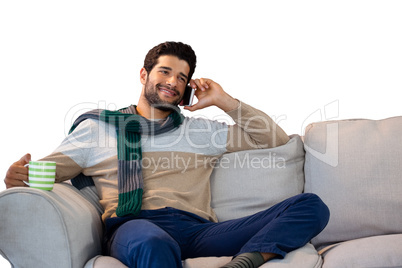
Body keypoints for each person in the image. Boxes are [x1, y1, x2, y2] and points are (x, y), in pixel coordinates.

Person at [4, 41, 329, 268]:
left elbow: (273, 139)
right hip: (135, 225)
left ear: (187, 88)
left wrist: (224, 101)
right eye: (164, 72)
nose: (172, 81)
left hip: (199, 231)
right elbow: (46, 172)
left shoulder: (202, 131)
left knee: (310, 206)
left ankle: (247, 262)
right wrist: (19, 177)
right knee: (152, 243)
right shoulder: (99, 130)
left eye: (182, 77)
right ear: (144, 75)